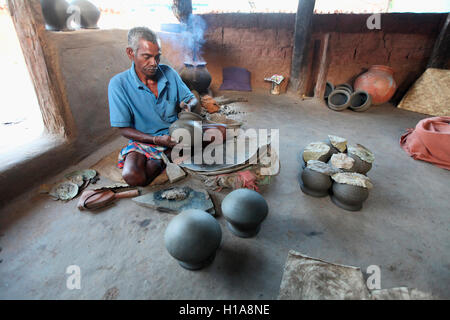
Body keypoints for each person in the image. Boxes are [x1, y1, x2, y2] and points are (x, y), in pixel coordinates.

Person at [108, 27, 198, 186]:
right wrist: (156, 140)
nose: (154, 63)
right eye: (147, 57)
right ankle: (167, 157)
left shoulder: (169, 73)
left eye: (157, 57)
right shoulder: (118, 84)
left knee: (221, 132)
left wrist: (189, 108)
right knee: (133, 177)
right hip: (144, 140)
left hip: (175, 135)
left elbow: (191, 99)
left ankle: (163, 158)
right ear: (131, 53)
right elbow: (123, 129)